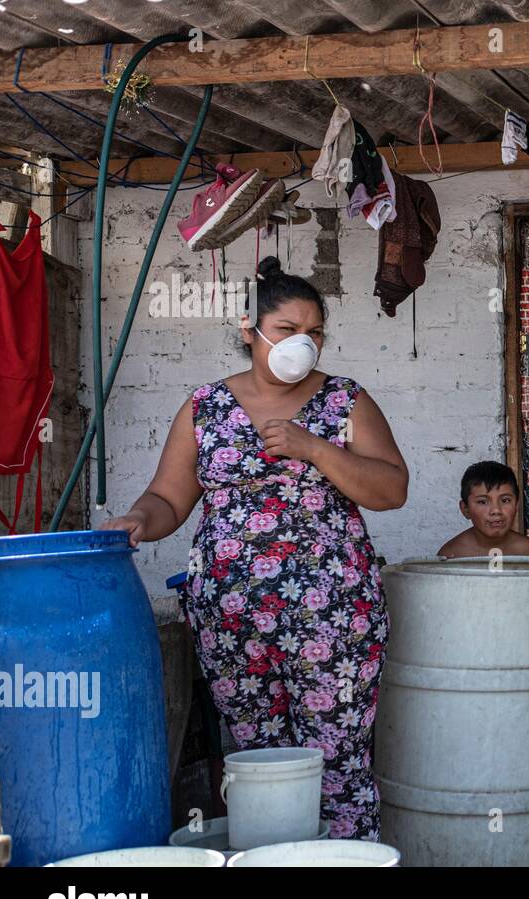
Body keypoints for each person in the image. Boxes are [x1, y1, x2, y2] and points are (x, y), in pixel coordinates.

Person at [103, 257, 408, 841]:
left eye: (315, 331)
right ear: (251, 331)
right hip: (232, 621)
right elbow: (169, 497)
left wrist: (314, 449)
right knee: (258, 764)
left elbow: (392, 489)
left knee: (337, 763)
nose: (305, 343)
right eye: (289, 329)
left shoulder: (345, 400)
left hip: (334, 618)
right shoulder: (206, 407)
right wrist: (138, 520)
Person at [437, 461, 529, 558]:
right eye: (482, 502)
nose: (496, 510)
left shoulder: (528, 551)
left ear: (517, 505)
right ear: (465, 509)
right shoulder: (451, 554)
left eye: (505, 500)